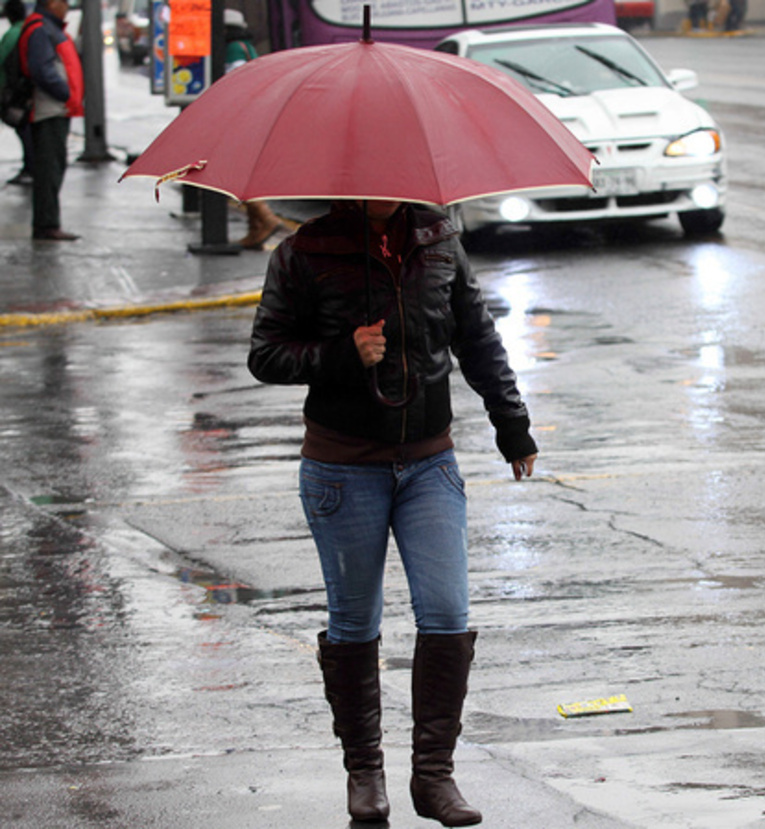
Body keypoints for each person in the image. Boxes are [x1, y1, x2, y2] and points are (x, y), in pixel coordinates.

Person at [247, 199, 538, 827]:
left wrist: (511, 422)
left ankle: (434, 777)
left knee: (447, 612)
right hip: (343, 466)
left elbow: (478, 336)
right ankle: (365, 773)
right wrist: (341, 352)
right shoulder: (305, 252)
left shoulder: (438, 241)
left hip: (429, 461)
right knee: (354, 621)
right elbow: (265, 354)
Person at [222, 8, 285, 249]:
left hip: (240, 117)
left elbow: (235, 81)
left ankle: (265, 217)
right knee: (244, 169)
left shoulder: (233, 49)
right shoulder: (248, 46)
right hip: (253, 116)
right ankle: (256, 229)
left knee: (235, 170)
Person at [20, 0, 82, 240]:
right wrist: (65, 93)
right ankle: (46, 224)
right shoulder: (41, 29)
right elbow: (42, 69)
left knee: (53, 165)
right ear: (52, 3)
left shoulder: (48, 27)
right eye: (64, 2)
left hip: (56, 108)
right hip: (49, 109)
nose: (67, 6)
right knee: (49, 168)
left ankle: (47, 222)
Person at [1, 0, 34, 186]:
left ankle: (29, 167)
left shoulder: (12, 34)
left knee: (23, 129)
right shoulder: (30, 30)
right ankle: (30, 166)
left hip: (16, 92)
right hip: (28, 90)